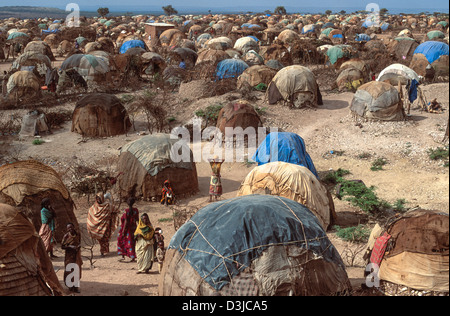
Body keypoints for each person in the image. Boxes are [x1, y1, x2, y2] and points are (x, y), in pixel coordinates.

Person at [61, 223, 82, 293]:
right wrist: (70, 247)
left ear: (74, 227)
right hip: (69, 256)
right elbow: (62, 246)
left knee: (76, 270)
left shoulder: (78, 234)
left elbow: (79, 242)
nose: (70, 229)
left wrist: (78, 246)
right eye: (68, 228)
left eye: (71, 227)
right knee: (69, 270)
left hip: (76, 255)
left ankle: (76, 287)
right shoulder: (66, 236)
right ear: (67, 229)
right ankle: (70, 286)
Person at [117, 197, 139, 262]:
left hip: (126, 228)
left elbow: (126, 221)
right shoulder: (136, 210)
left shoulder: (126, 211)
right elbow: (137, 220)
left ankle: (123, 255)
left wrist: (123, 231)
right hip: (133, 228)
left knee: (122, 240)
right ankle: (132, 257)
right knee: (132, 242)